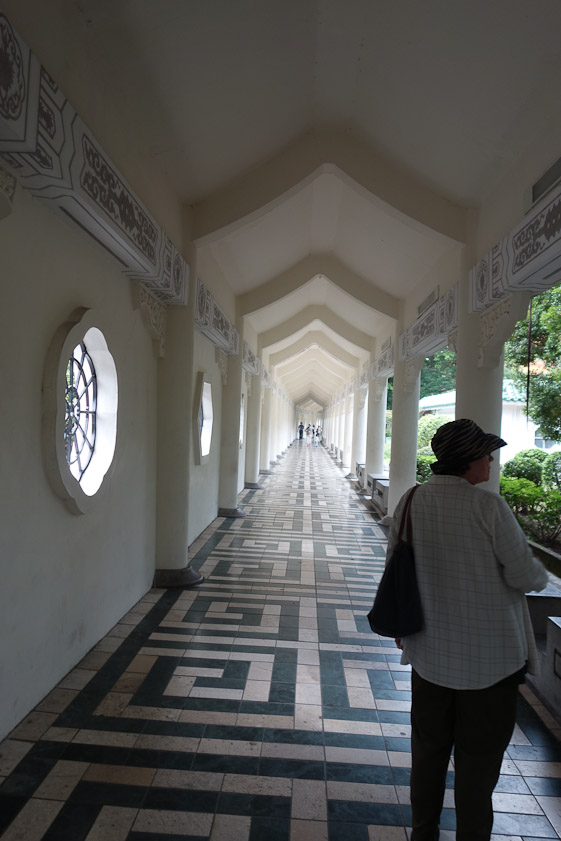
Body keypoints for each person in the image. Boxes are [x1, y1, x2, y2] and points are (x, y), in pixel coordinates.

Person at [386, 418, 548, 841]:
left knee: (427, 754)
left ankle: (423, 832)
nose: (491, 460)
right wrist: (538, 571)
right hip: (490, 664)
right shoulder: (488, 507)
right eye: (486, 453)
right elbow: (526, 576)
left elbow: (394, 564)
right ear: (469, 459)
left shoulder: (411, 500)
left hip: (430, 655)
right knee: (478, 765)